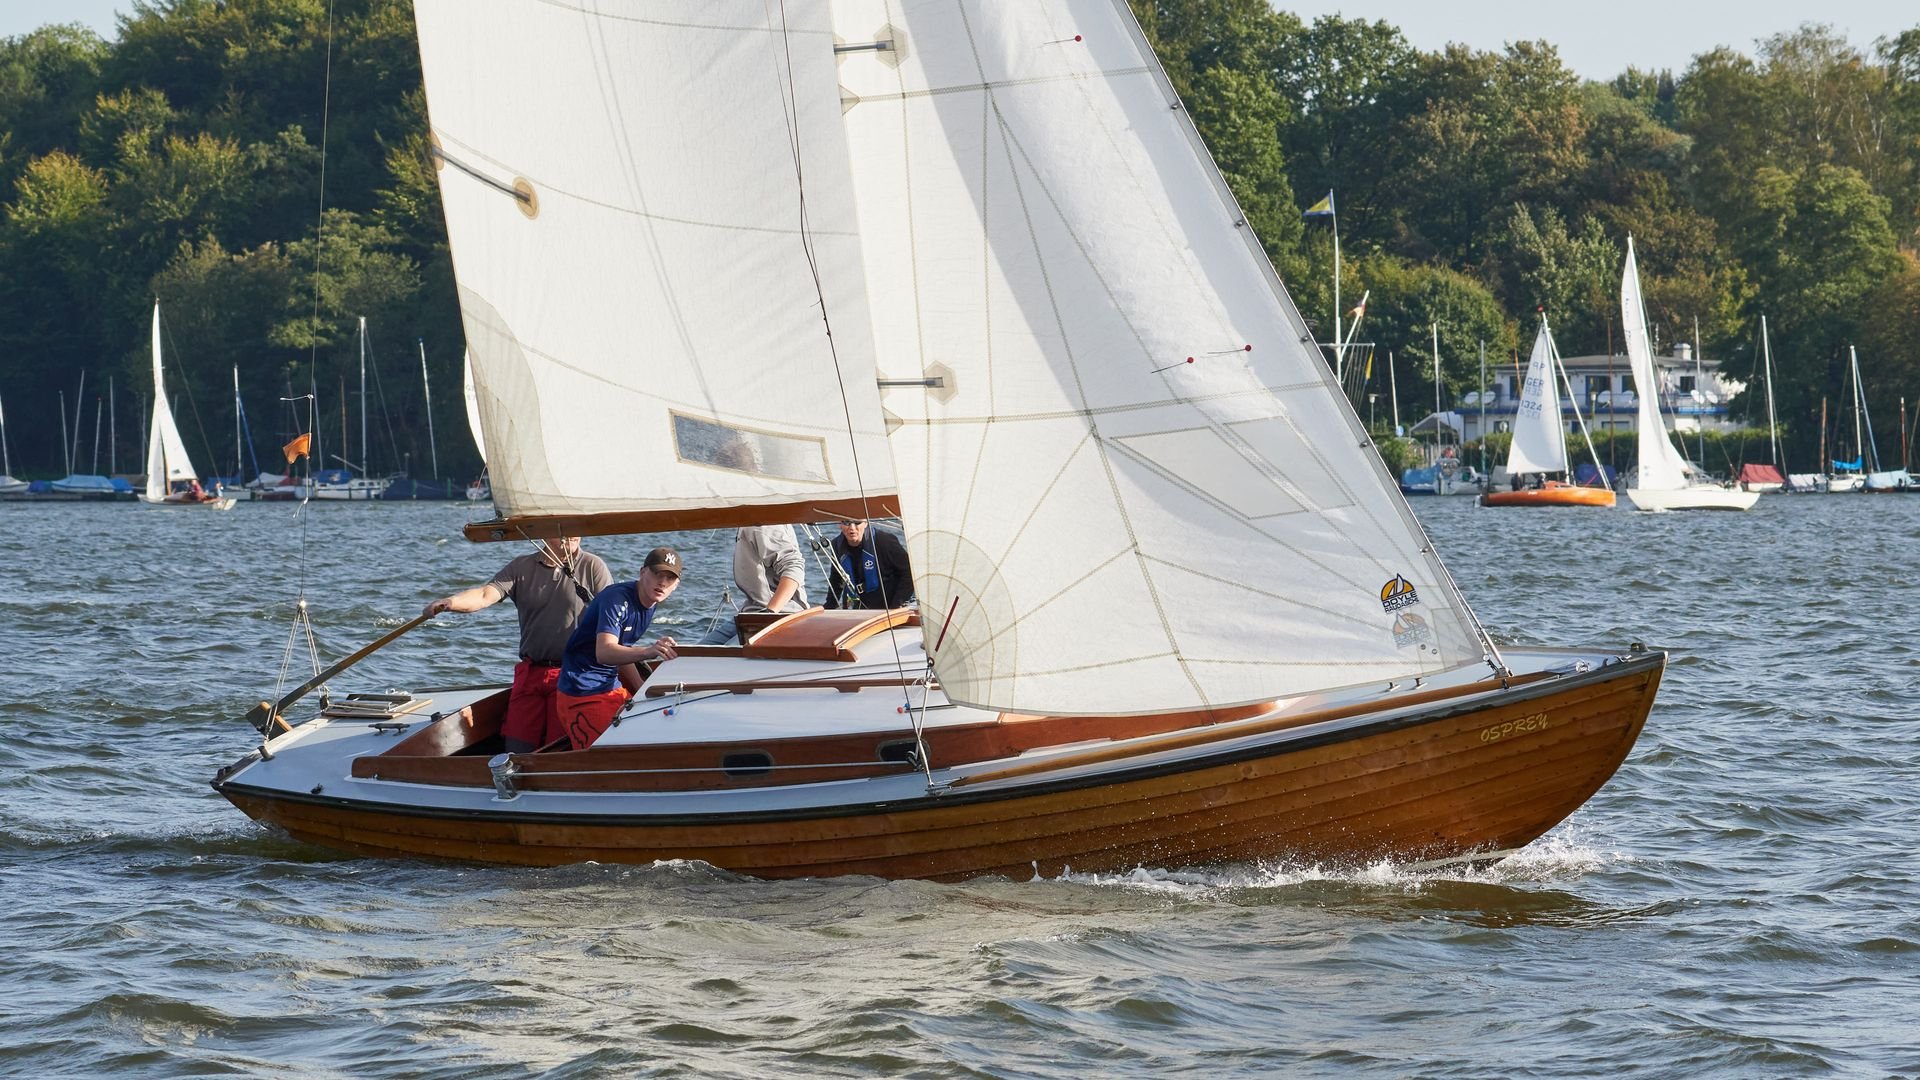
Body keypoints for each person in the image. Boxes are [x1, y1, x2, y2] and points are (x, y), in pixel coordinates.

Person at [422, 536, 611, 754]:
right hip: (531, 674)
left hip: (573, 675)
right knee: (516, 748)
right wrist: (450, 603)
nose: (570, 535)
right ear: (542, 533)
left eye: (574, 529)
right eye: (562, 529)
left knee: (558, 748)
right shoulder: (521, 566)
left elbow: (612, 617)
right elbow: (484, 595)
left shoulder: (592, 566)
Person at [552, 547, 684, 750]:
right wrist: (649, 651)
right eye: (658, 574)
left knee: (655, 734)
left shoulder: (650, 602)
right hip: (582, 692)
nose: (663, 583)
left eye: (670, 578)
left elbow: (623, 649)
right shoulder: (617, 600)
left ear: (676, 585)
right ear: (642, 572)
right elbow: (604, 652)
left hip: (611, 686)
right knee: (614, 752)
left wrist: (641, 689)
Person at [697, 524, 808, 643]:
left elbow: (794, 567)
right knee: (697, 652)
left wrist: (769, 614)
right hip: (750, 614)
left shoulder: (762, 525)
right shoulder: (747, 524)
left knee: (731, 653)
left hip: (782, 615)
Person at [824, 519, 914, 611]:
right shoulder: (836, 545)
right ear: (840, 524)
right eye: (846, 523)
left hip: (887, 605)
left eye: (857, 522)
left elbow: (909, 572)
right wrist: (828, 608)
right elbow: (836, 579)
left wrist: (896, 605)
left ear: (866, 523)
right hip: (854, 605)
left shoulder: (885, 541)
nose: (852, 528)